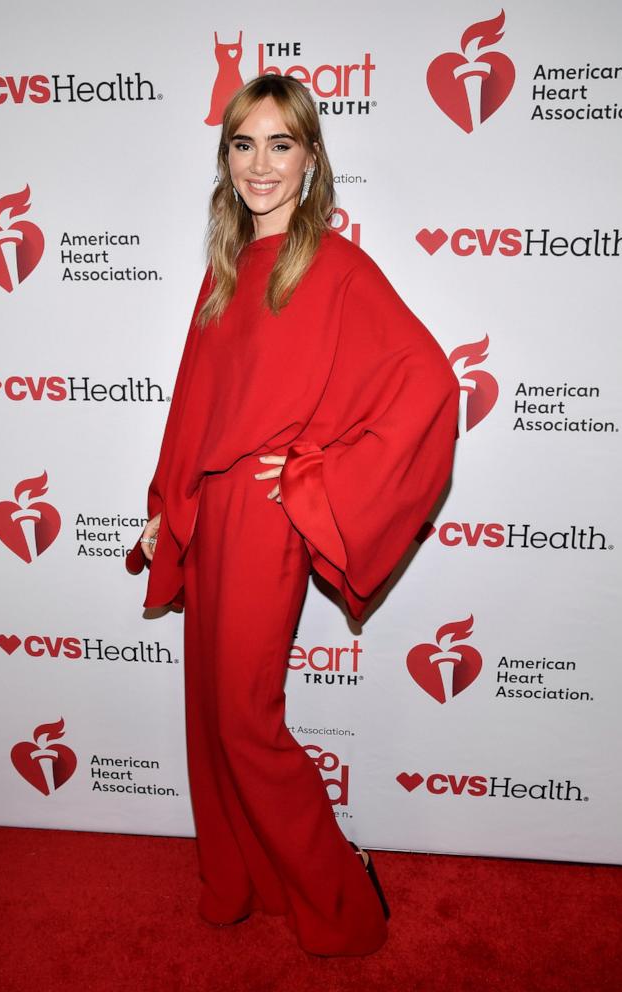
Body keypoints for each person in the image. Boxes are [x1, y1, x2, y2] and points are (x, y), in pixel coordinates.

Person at [134, 73, 460, 957]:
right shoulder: (226, 269)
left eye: (281, 144)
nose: (260, 164)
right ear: (225, 158)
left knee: (245, 716)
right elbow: (192, 401)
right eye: (243, 144)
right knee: (211, 714)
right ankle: (244, 883)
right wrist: (167, 505)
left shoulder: (337, 265)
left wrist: (318, 472)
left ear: (311, 159)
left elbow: (426, 384)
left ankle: (341, 899)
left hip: (264, 517)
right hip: (208, 515)